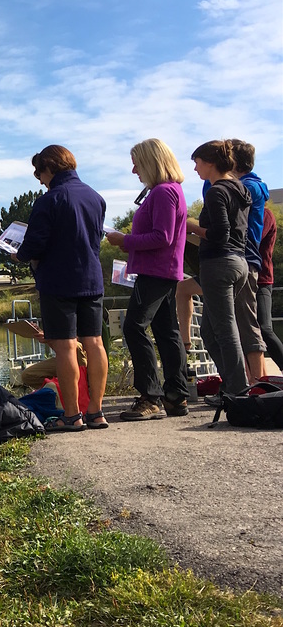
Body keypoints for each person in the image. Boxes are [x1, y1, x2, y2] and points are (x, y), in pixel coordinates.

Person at [15, 145, 109, 431]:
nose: (40, 180)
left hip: (58, 280)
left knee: (66, 346)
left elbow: (34, 245)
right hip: (91, 278)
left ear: (50, 167)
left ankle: (72, 415)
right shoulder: (96, 197)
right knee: (94, 342)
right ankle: (96, 411)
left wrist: (17, 255)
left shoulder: (49, 200)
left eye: (39, 173)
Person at [106, 139, 189, 420]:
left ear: (152, 163)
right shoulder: (170, 190)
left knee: (134, 327)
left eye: (137, 164)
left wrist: (124, 240)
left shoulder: (163, 192)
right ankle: (176, 396)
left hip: (155, 271)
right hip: (165, 271)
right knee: (167, 331)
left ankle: (150, 397)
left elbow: (162, 236)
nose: (134, 170)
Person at [186, 141, 252, 400]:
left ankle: (238, 390)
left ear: (210, 163)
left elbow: (219, 234)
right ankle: (233, 384)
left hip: (219, 264)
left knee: (224, 330)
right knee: (210, 331)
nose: (195, 168)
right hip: (239, 263)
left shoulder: (216, 192)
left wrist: (192, 227)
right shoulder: (240, 188)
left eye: (197, 162)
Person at [231, 139, 268, 380]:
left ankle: (258, 384)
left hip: (243, 259)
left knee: (246, 322)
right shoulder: (249, 186)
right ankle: (253, 382)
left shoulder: (248, 188)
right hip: (240, 259)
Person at [257, 207, 283, 370]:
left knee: (264, 328)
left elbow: (254, 240)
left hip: (262, 280)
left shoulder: (264, 214)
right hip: (246, 278)